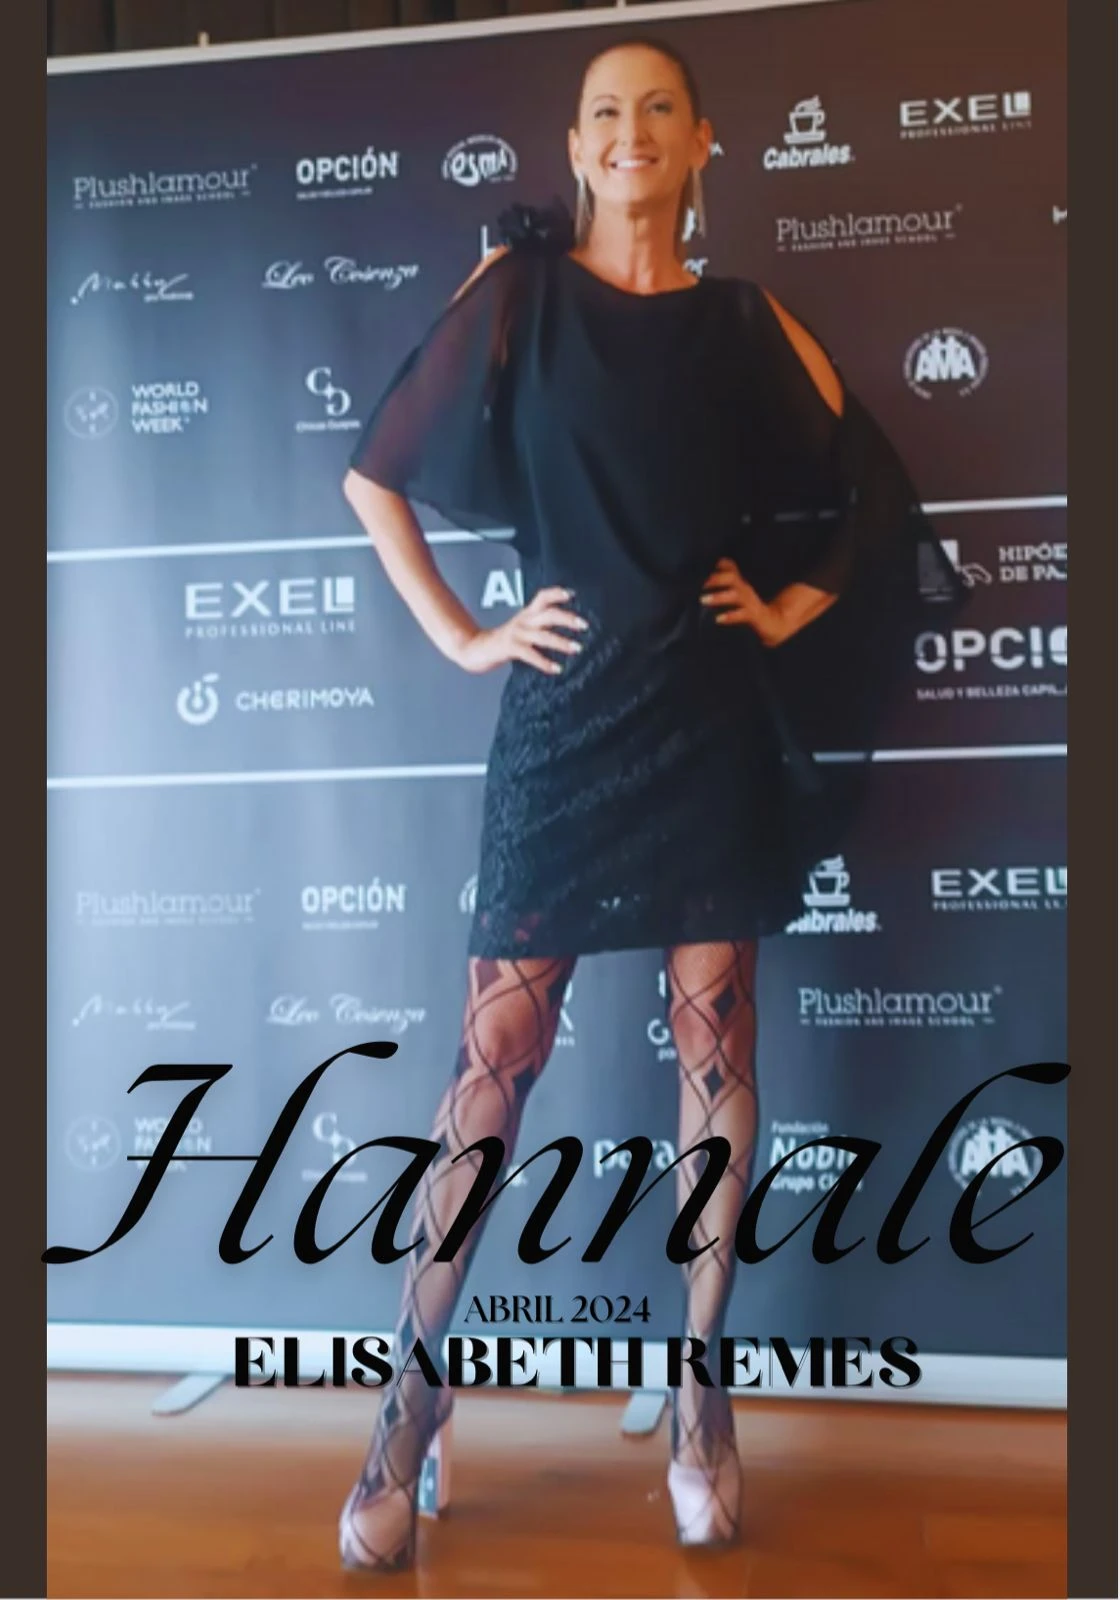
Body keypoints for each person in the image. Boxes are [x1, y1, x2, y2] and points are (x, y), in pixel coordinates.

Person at [336, 35, 964, 1570]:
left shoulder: (744, 321)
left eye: (658, 110)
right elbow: (374, 474)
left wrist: (795, 602)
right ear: (577, 146)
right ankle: (409, 1398)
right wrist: (466, 637)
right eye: (606, 111)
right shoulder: (518, 296)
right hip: (561, 728)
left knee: (714, 1048)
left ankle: (699, 1394)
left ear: (701, 147)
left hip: (703, 723)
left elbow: (874, 490)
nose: (631, 131)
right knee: (494, 1062)